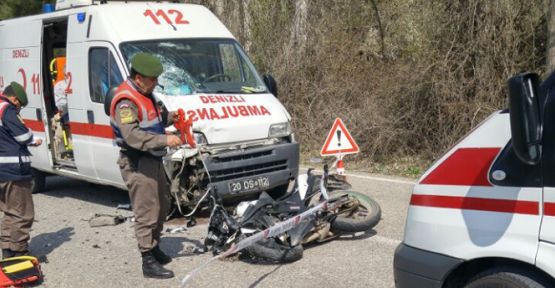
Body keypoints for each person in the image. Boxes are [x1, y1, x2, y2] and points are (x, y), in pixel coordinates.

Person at [109, 53, 182, 279]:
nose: (155, 83)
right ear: (138, 78)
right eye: (152, 79)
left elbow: (156, 118)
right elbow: (133, 136)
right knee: (146, 210)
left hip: (153, 159)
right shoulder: (125, 101)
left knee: (162, 204)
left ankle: (154, 245)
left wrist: (172, 117)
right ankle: (147, 259)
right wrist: (165, 140)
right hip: (137, 162)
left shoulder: (146, 94)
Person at [0, 82, 42, 258]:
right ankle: (20, 253)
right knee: (23, 213)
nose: (18, 110)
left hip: (2, 171)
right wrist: (33, 139)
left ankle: (7, 252)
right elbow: (22, 136)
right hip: (14, 171)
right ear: (14, 99)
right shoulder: (7, 109)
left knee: (9, 211)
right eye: (19, 106)